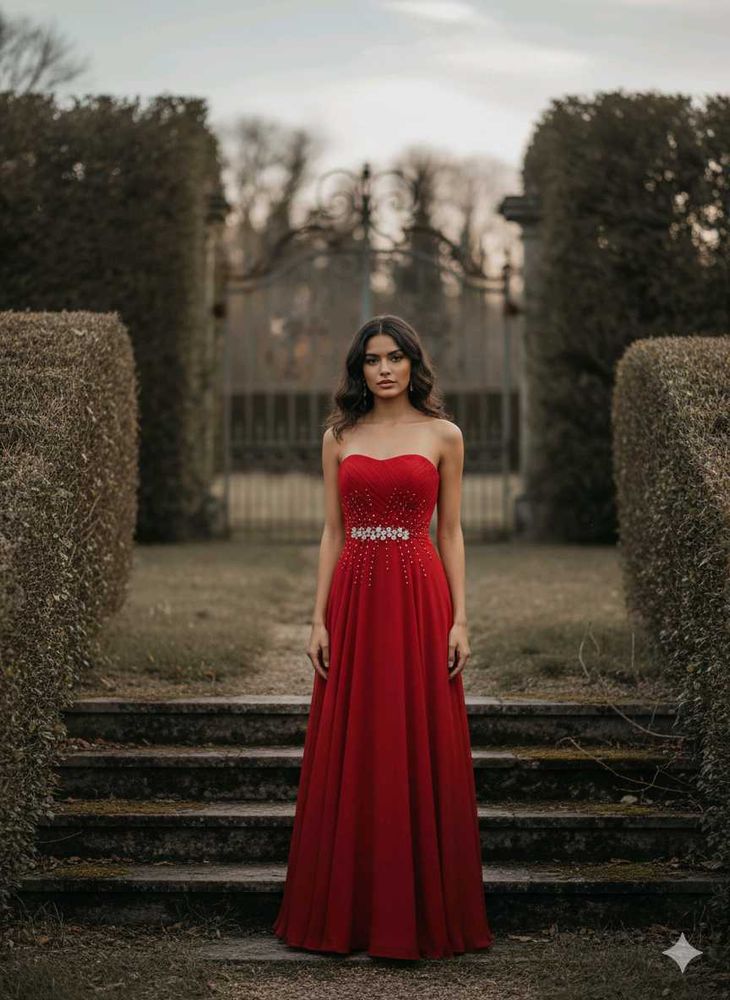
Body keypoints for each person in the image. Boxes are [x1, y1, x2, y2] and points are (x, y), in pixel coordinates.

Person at [272, 314, 494, 960]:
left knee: (415, 732)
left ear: (413, 363)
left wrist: (460, 618)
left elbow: (450, 531)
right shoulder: (339, 437)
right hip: (355, 597)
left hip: (420, 594)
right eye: (373, 359)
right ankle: (345, 911)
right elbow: (331, 532)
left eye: (396, 356)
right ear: (359, 369)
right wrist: (317, 619)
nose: (385, 368)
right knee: (357, 736)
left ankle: (420, 913)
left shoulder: (444, 435)